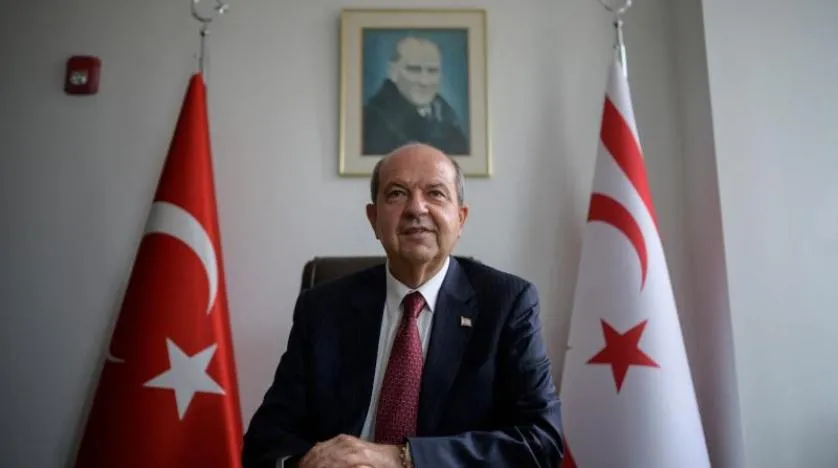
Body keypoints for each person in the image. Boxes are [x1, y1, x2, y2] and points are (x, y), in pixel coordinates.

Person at [242, 143, 564, 468]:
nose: (416, 208)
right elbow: (265, 440)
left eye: (435, 193)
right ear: (373, 219)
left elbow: (541, 441)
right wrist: (306, 463)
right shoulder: (322, 308)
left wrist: (402, 457)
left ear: (461, 218)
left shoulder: (507, 304)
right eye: (397, 194)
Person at [362, 37, 469, 156]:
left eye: (433, 71)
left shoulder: (449, 121)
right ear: (393, 72)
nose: (424, 81)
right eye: (414, 69)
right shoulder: (371, 121)